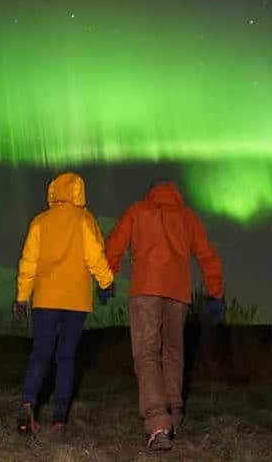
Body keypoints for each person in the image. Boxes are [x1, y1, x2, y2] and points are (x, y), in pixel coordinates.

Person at [105, 178, 223, 450]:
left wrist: (107, 279)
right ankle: (174, 412)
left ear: (151, 194)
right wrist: (214, 293)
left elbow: (115, 246)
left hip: (146, 288)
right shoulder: (186, 216)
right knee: (173, 351)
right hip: (178, 293)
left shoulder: (137, 211)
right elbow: (207, 255)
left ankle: (158, 424)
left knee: (146, 352)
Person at [13, 172, 115, 434]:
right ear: (78, 192)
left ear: (53, 191)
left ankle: (27, 403)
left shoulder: (40, 222)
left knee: (40, 353)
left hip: (45, 298)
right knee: (66, 357)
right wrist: (106, 282)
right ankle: (59, 420)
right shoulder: (85, 220)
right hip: (76, 301)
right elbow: (95, 256)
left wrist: (22, 297)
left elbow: (28, 263)